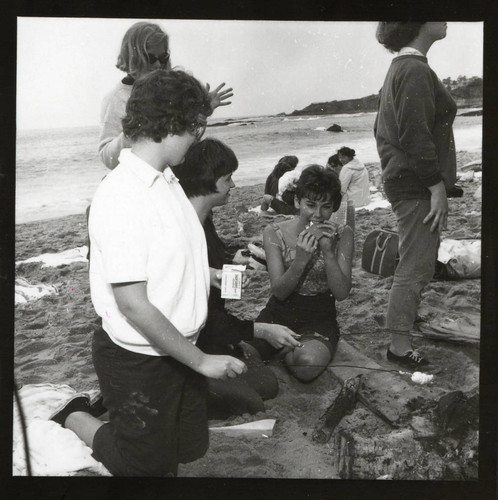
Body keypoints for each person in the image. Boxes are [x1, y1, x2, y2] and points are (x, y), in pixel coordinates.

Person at [50, 69, 246, 477]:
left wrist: (205, 275)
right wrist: (201, 361)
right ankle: (75, 416)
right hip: (139, 358)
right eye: (196, 126)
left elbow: (166, 255)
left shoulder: (166, 179)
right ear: (175, 125)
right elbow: (133, 304)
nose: (198, 137)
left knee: (183, 447)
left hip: (176, 348)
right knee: (142, 468)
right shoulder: (123, 196)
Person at [174, 138, 302, 417]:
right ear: (208, 180)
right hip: (189, 342)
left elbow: (212, 269)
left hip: (209, 329)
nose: (234, 185)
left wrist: (235, 257)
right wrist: (262, 329)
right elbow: (201, 314)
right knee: (253, 400)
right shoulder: (183, 229)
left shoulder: (203, 218)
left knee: (265, 384)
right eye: (228, 178)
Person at [374, 22, 458, 368]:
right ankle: (398, 347)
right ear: (418, 21)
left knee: (418, 258)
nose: (447, 16)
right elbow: (413, 134)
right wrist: (435, 186)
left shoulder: (403, 67)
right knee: (416, 264)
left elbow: (383, 129)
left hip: (408, 180)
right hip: (415, 184)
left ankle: (406, 322)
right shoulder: (412, 69)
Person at [248, 165, 354, 381]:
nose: (317, 214)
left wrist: (328, 252)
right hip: (280, 312)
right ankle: (286, 351)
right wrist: (301, 260)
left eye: (326, 206)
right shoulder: (274, 232)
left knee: (307, 365)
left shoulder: (343, 234)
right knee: (246, 356)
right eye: (310, 205)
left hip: (320, 315)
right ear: (297, 202)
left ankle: (285, 353)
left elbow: (342, 293)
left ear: (334, 207)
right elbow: (279, 292)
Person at [98, 21, 233, 169]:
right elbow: (108, 158)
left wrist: (201, 113)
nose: (157, 65)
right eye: (150, 59)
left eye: (163, 58)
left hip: (175, 175)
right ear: (133, 57)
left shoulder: (175, 89)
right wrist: (135, 129)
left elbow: (188, 144)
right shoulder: (117, 98)